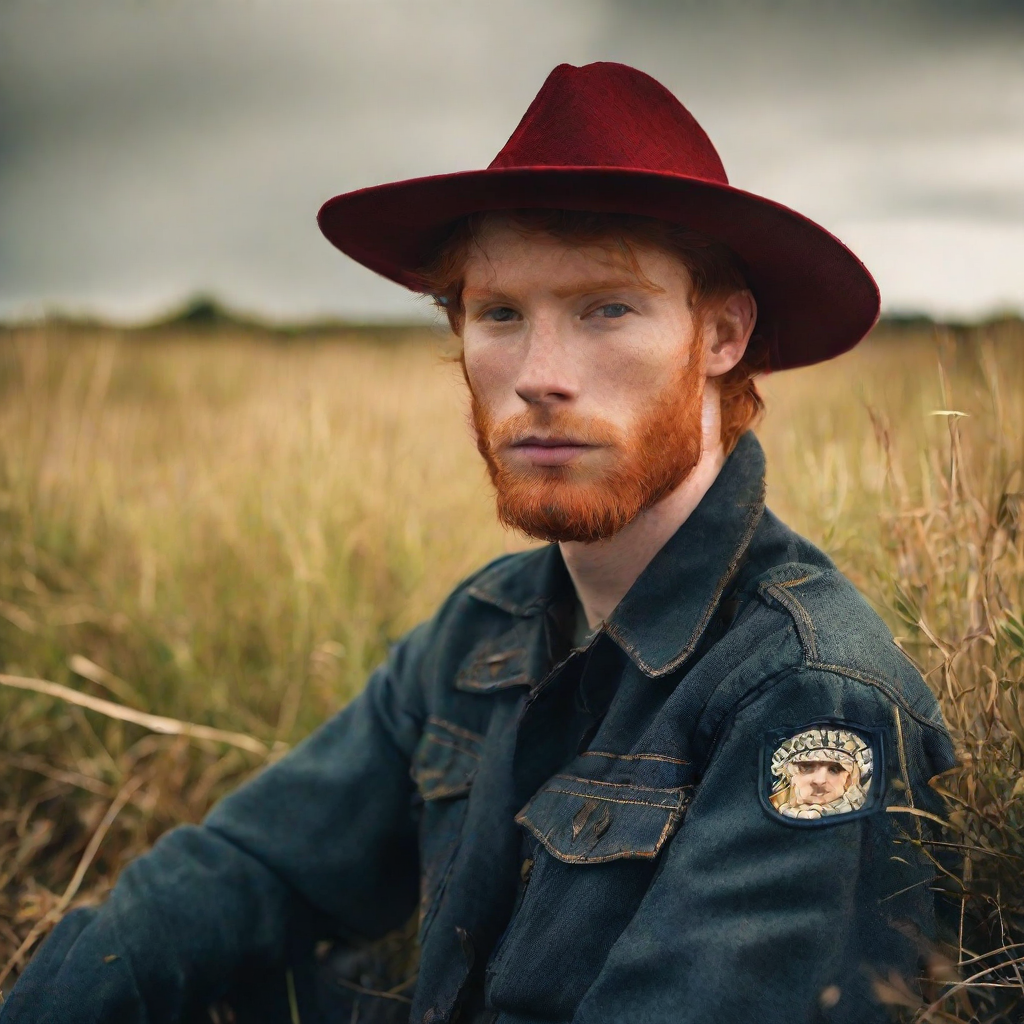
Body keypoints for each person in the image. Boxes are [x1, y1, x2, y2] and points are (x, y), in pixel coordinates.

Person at [1, 61, 955, 1024]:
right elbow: (253, 866)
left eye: (607, 308)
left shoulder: (806, 696)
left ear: (721, 335)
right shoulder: (486, 626)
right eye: (499, 314)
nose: (539, 375)